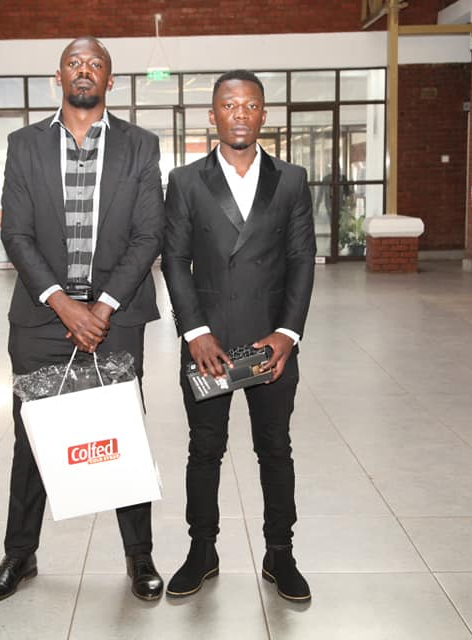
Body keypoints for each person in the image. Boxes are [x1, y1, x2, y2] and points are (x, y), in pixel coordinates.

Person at [0, 37, 165, 603]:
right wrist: (63, 303)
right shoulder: (24, 144)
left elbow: (148, 235)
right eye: (74, 64)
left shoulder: (140, 145)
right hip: (42, 318)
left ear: (110, 80)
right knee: (31, 438)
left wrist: (101, 308)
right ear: (57, 77)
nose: (84, 71)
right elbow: (16, 233)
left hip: (117, 318)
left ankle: (140, 558)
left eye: (95, 64)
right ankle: (19, 555)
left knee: (122, 434)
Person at [161, 70, 316, 602]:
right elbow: (175, 260)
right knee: (205, 451)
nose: (240, 114)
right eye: (230, 105)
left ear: (264, 115)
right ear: (213, 116)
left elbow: (301, 259)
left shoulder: (290, 180)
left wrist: (288, 333)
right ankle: (201, 551)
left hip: (270, 345)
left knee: (275, 449)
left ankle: (280, 554)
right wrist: (195, 332)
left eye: (250, 105)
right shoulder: (185, 181)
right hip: (210, 346)